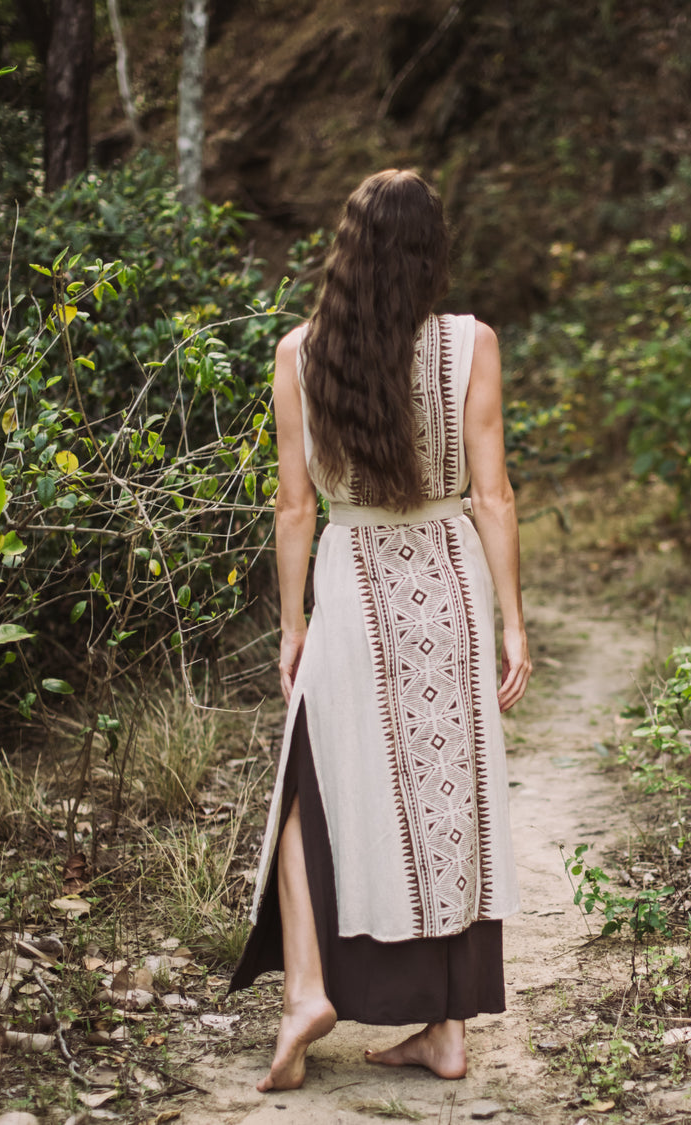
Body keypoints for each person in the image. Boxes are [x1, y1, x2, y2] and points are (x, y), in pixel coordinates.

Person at [229, 169, 532, 1093]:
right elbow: (492, 494)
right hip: (448, 577)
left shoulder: (300, 354)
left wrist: (291, 627)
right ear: (430, 251)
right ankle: (444, 1026)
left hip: (351, 585)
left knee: (307, 789)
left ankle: (309, 992)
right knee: (449, 796)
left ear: (348, 250)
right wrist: (513, 621)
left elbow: (292, 511)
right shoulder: (469, 345)